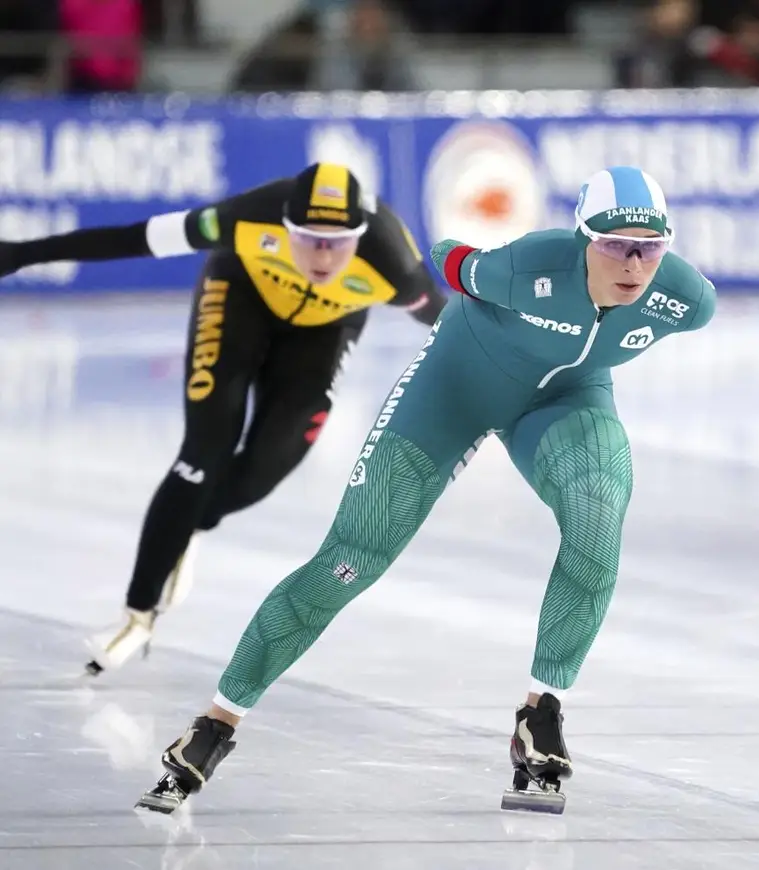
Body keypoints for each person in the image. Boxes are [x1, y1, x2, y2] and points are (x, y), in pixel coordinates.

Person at [133, 164, 717, 816]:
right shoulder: (528, 267)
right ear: (583, 238)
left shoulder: (686, 299)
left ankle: (541, 712)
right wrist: (450, 276)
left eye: (649, 247)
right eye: (615, 245)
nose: (634, 263)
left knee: (597, 522)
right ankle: (216, 723)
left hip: (564, 400)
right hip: (453, 390)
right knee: (351, 558)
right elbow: (446, 256)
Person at [0, 162, 445, 675]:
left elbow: (453, 324)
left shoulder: (394, 265)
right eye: (308, 240)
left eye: (338, 243)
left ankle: (191, 524)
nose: (323, 256)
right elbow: (136, 239)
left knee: (264, 470)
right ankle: (138, 613)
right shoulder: (246, 216)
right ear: (284, 225)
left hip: (324, 330)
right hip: (240, 298)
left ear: (361, 236)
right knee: (204, 450)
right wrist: (22, 253)